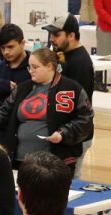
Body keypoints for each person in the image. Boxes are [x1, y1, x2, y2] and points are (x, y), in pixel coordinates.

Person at [0, 48, 94, 175]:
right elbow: (3, 111)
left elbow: (86, 119)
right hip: (19, 160)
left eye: (35, 67)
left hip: (55, 162)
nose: (30, 71)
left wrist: (63, 133)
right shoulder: (23, 88)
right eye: (29, 67)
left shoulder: (72, 89)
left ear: (49, 66)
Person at [44, 14, 96, 177]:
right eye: (51, 34)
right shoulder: (64, 55)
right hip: (65, 133)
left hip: (76, 135)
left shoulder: (80, 63)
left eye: (57, 35)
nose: (52, 39)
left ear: (71, 35)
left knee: (70, 184)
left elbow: (80, 109)